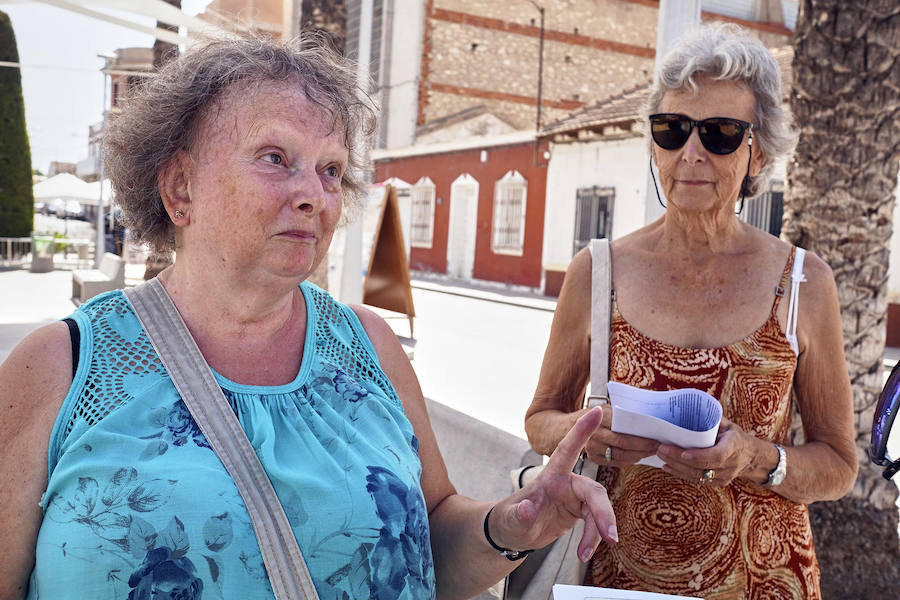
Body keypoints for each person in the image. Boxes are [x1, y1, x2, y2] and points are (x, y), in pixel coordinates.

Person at [0, 35, 618, 600]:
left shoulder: (369, 345)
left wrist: (512, 522)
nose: (314, 195)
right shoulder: (61, 367)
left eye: (329, 170)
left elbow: (431, 549)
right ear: (179, 188)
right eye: (275, 157)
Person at [524, 24, 857, 599]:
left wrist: (756, 457)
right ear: (655, 143)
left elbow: (839, 465)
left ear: (759, 153)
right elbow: (540, 418)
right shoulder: (596, 271)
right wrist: (585, 437)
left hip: (764, 583)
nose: (692, 152)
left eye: (722, 133)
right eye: (673, 130)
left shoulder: (805, 283)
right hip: (618, 582)